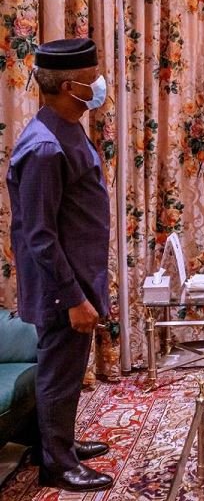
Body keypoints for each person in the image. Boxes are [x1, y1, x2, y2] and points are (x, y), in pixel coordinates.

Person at [6, 38, 113, 492]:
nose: (99, 87)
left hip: (78, 277)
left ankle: (61, 443)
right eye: (92, 82)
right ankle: (56, 464)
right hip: (61, 285)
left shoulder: (67, 126)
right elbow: (39, 236)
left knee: (68, 370)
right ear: (70, 87)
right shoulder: (44, 148)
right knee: (57, 370)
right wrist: (72, 298)